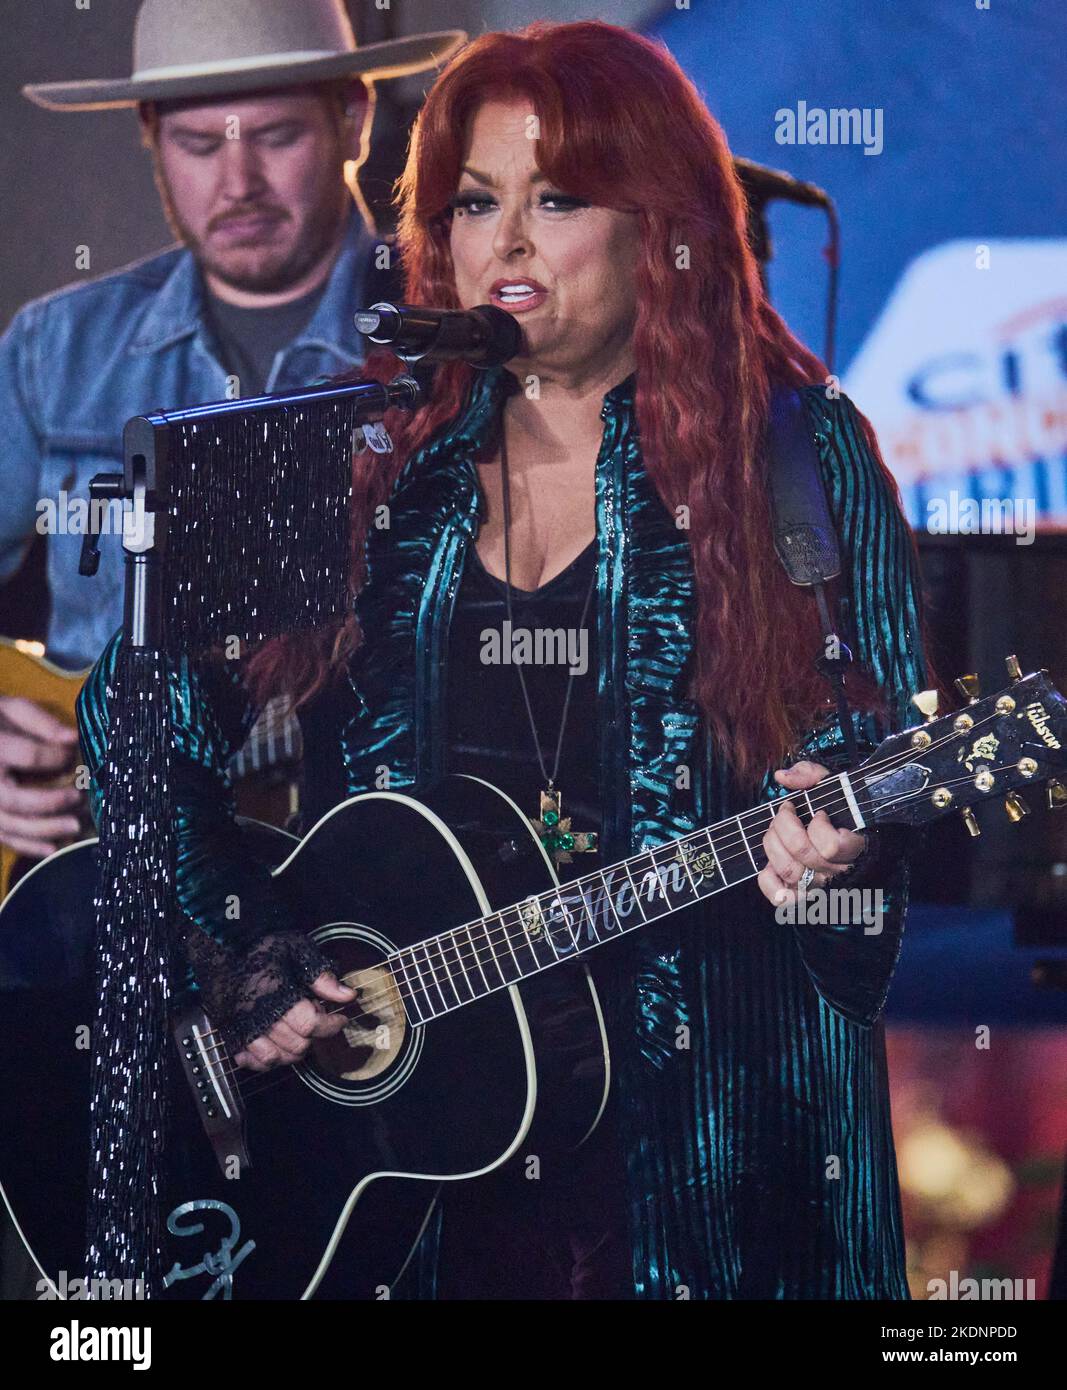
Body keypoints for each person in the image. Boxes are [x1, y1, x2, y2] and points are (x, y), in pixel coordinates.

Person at [79, 20, 931, 1300]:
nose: (508, 244)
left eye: (559, 198)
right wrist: (255, 942)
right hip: (405, 1175)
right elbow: (132, 719)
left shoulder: (796, 455)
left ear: (661, 224)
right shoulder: (364, 455)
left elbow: (875, 745)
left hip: (703, 1165)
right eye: (475, 202)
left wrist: (843, 826)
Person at [0, 0, 463, 864]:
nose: (237, 182)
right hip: (80, 890)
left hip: (336, 877)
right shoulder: (55, 346)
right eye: (200, 144)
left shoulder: (448, 345)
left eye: (275, 137)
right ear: (149, 135)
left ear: (354, 117)